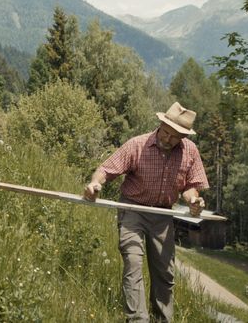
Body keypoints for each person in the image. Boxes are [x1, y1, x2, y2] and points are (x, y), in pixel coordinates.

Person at [83, 102, 208, 322]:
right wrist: (94, 185)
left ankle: (162, 318)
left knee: (164, 274)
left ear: (183, 136)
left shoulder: (190, 151)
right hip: (133, 210)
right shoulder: (137, 145)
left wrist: (193, 201)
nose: (167, 139)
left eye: (175, 137)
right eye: (166, 133)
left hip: (163, 216)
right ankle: (138, 319)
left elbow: (190, 186)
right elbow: (105, 169)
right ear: (160, 124)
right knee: (133, 262)